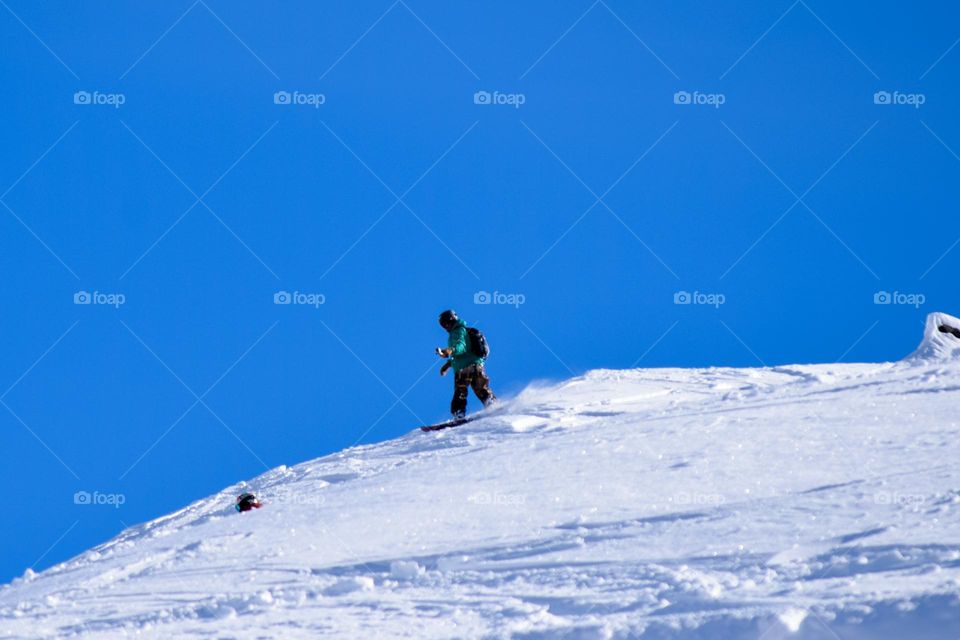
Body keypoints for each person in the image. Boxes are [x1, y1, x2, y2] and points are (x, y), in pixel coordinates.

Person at [436, 309, 496, 419]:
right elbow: (464, 352)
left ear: (450, 321)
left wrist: (450, 350)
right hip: (477, 366)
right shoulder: (463, 331)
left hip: (464, 369)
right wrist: (448, 365)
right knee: (481, 388)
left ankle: (458, 414)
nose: (445, 328)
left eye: (445, 324)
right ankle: (491, 403)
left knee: (460, 391)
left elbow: (461, 346)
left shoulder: (457, 331)